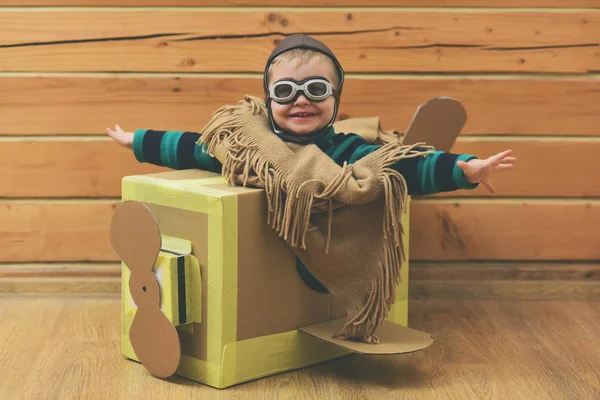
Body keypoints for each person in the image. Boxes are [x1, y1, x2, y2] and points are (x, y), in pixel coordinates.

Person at [107, 34, 515, 340]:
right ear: (268, 100)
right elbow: (191, 147)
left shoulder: (347, 148)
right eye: (285, 92)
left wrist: (465, 169)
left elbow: (406, 168)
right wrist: (137, 141)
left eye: (316, 89)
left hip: (324, 249)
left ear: (335, 98)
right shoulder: (252, 150)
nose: (300, 100)